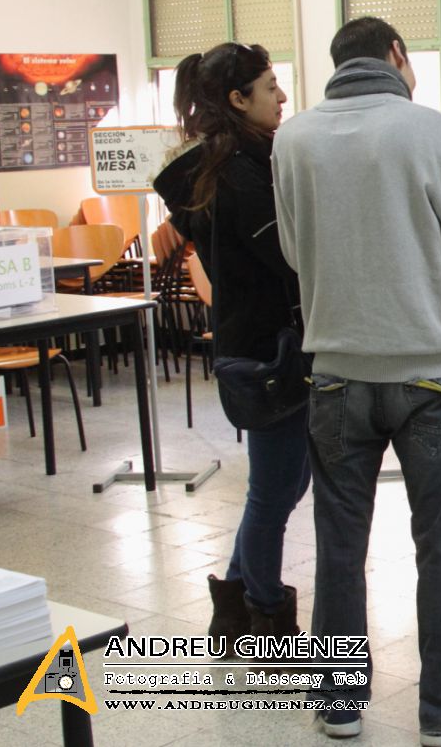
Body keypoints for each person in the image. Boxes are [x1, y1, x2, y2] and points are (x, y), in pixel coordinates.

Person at [271, 17, 441, 743]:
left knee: (339, 540)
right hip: (428, 373)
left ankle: (339, 701)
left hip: (336, 373)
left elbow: (291, 248)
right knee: (440, 542)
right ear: (397, 56)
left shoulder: (293, 138)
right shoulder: (428, 128)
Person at [152, 43, 311, 657]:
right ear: (238, 100)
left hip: (260, 347)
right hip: (267, 353)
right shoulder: (241, 176)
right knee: (274, 490)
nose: (283, 98)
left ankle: (237, 602)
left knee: (283, 485)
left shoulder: (228, 167)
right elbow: (287, 257)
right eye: (272, 87)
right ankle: (265, 614)